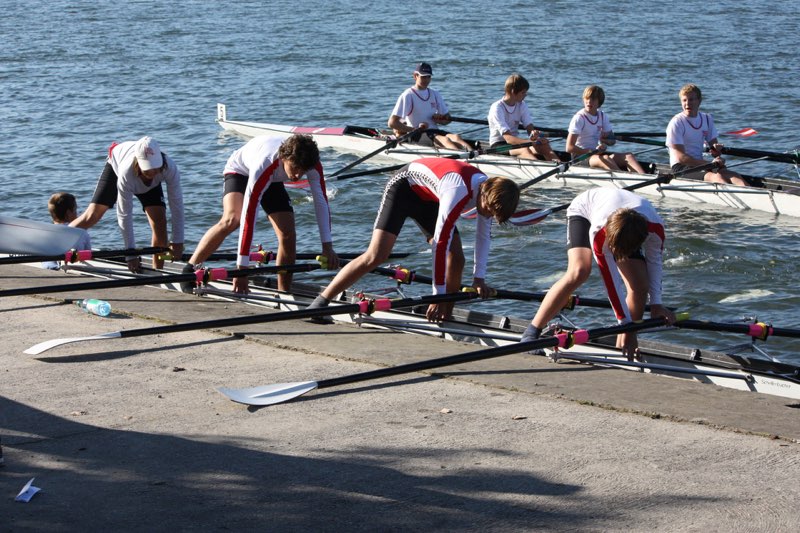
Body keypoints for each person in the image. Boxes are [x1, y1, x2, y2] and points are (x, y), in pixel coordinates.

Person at [307, 158, 520, 323]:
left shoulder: (489, 195)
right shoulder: (458, 190)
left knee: (457, 259)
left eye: (493, 214)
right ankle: (321, 302)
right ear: (485, 194)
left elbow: (483, 237)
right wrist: (437, 296)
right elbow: (439, 245)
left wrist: (479, 279)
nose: (488, 215)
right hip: (402, 189)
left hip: (430, 197)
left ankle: (446, 316)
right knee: (376, 255)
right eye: (488, 210)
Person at [520, 188, 675, 357]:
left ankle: (623, 347)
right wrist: (626, 323)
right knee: (579, 271)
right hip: (584, 211)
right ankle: (531, 333)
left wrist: (656, 305)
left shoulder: (655, 228)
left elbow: (655, 262)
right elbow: (612, 284)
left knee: (639, 285)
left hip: (627, 221)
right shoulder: (599, 233)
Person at [182, 134, 339, 294]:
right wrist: (242, 269)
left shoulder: (312, 163)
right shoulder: (265, 164)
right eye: (295, 168)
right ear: (284, 158)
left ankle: (283, 293)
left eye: (303, 171)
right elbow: (249, 216)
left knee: (288, 234)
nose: (298, 175)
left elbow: (321, 203)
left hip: (273, 179)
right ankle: (190, 268)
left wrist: (327, 247)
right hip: (240, 172)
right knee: (233, 219)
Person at [70, 137, 184, 273]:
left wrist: (177, 241)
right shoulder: (126, 172)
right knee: (92, 216)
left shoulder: (169, 167)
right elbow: (124, 215)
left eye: (155, 168)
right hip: (116, 164)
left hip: (147, 183)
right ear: (138, 162)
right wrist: (130, 253)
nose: (152, 173)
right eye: (147, 169)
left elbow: (177, 205)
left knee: (159, 221)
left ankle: (157, 272)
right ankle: (60, 242)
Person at [666, 84, 747, 186]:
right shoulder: (677, 123)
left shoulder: (707, 119)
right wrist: (708, 164)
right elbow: (681, 158)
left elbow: (715, 152)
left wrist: (716, 151)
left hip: (701, 164)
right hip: (681, 167)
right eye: (684, 100)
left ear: (699, 101)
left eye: (691, 100)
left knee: (735, 177)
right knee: (717, 177)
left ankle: (750, 193)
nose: (687, 104)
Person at [388, 62, 473, 151]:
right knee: (445, 140)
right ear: (415, 76)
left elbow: (447, 120)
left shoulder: (435, 94)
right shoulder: (408, 95)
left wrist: (440, 120)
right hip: (416, 134)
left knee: (456, 137)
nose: (426, 80)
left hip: (434, 132)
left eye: (428, 76)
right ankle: (464, 157)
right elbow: (392, 123)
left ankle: (474, 154)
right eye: (423, 77)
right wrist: (413, 129)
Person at [566, 85, 646, 174]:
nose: (589, 101)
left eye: (593, 99)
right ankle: (625, 179)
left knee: (629, 156)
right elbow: (569, 147)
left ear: (599, 102)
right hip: (580, 158)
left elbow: (612, 141)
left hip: (597, 154)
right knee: (606, 158)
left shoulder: (602, 116)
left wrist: (606, 142)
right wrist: (591, 152)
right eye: (587, 98)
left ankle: (645, 178)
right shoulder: (579, 118)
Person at [487, 73, 560, 162]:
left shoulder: (521, 105)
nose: (525, 95)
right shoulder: (497, 108)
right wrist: (530, 142)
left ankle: (561, 166)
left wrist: (534, 136)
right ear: (513, 92)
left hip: (514, 144)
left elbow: (529, 128)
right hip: (498, 146)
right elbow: (508, 138)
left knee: (544, 146)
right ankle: (540, 168)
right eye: (523, 92)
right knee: (524, 149)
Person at [42, 192, 92, 270]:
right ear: (68, 213)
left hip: (53, 265)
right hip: (76, 267)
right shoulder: (82, 232)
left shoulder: (46, 233)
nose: (77, 213)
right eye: (75, 210)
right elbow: (89, 254)